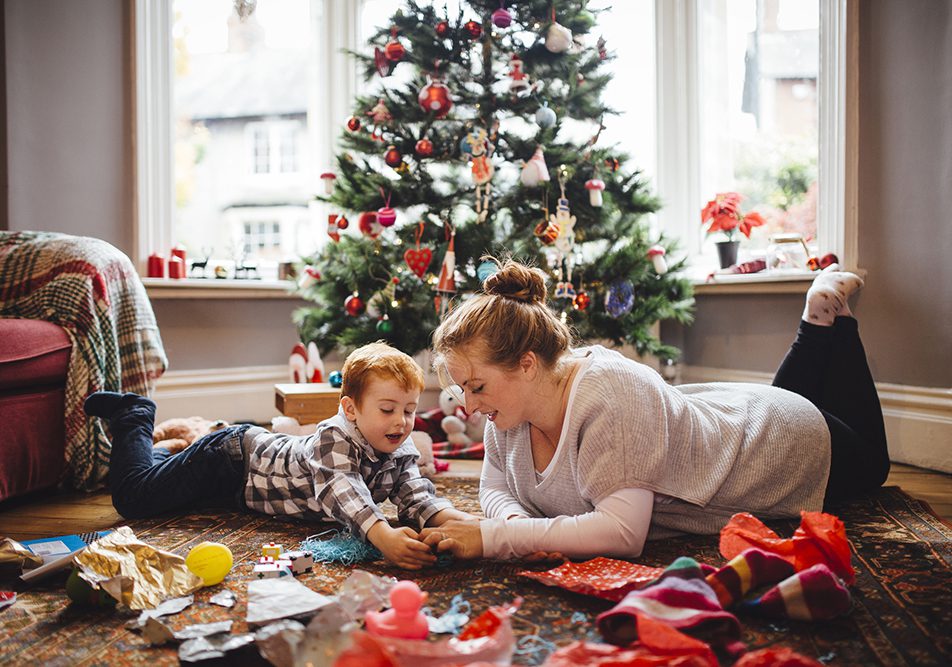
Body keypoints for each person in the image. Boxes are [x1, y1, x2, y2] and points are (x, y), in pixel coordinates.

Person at [419, 258, 889, 561]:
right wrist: (521, 525)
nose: (471, 406)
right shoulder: (510, 409)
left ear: (526, 364)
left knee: (874, 465)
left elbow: (621, 534)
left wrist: (494, 538)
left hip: (783, 443)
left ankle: (831, 322)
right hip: (730, 410)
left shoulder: (611, 396)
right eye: (464, 390)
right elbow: (494, 485)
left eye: (476, 387)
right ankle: (815, 325)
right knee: (790, 399)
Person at [84, 341, 477, 569]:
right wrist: (385, 538)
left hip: (243, 494)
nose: (402, 422)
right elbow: (347, 495)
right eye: (388, 410)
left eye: (409, 410)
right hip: (229, 461)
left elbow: (417, 497)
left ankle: (164, 453)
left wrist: (465, 523)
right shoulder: (333, 438)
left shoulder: (398, 442)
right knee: (135, 497)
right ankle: (134, 414)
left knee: (175, 492)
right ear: (351, 408)